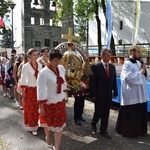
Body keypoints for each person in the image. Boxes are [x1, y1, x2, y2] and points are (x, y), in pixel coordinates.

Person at [115, 46, 148, 138]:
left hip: (140, 93)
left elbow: (143, 76)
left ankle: (140, 130)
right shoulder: (127, 64)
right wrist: (140, 72)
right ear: (132, 52)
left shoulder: (138, 62)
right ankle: (129, 132)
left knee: (139, 112)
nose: (140, 54)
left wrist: (144, 70)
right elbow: (127, 78)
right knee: (132, 114)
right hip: (132, 94)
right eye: (138, 52)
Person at [37, 49, 67, 150]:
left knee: (59, 127)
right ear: (49, 59)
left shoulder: (61, 68)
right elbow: (40, 90)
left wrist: (65, 95)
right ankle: (48, 136)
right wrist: (41, 107)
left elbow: (64, 83)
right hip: (49, 103)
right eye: (55, 60)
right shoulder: (43, 73)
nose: (57, 63)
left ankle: (57, 147)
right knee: (48, 124)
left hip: (60, 102)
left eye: (59, 60)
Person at [89, 48, 118, 139]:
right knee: (99, 111)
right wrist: (93, 94)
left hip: (108, 94)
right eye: (108, 55)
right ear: (102, 56)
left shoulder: (112, 67)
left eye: (110, 55)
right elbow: (92, 82)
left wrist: (115, 91)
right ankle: (94, 122)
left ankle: (103, 130)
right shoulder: (95, 67)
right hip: (99, 94)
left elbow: (113, 81)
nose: (109, 57)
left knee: (106, 113)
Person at [20, 48, 42, 136]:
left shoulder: (40, 65)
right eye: (34, 55)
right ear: (29, 56)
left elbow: (41, 78)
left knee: (38, 108)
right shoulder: (26, 66)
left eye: (37, 55)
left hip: (38, 89)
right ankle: (32, 126)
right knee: (30, 108)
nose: (36, 56)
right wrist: (23, 91)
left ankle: (37, 123)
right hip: (29, 89)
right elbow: (23, 79)